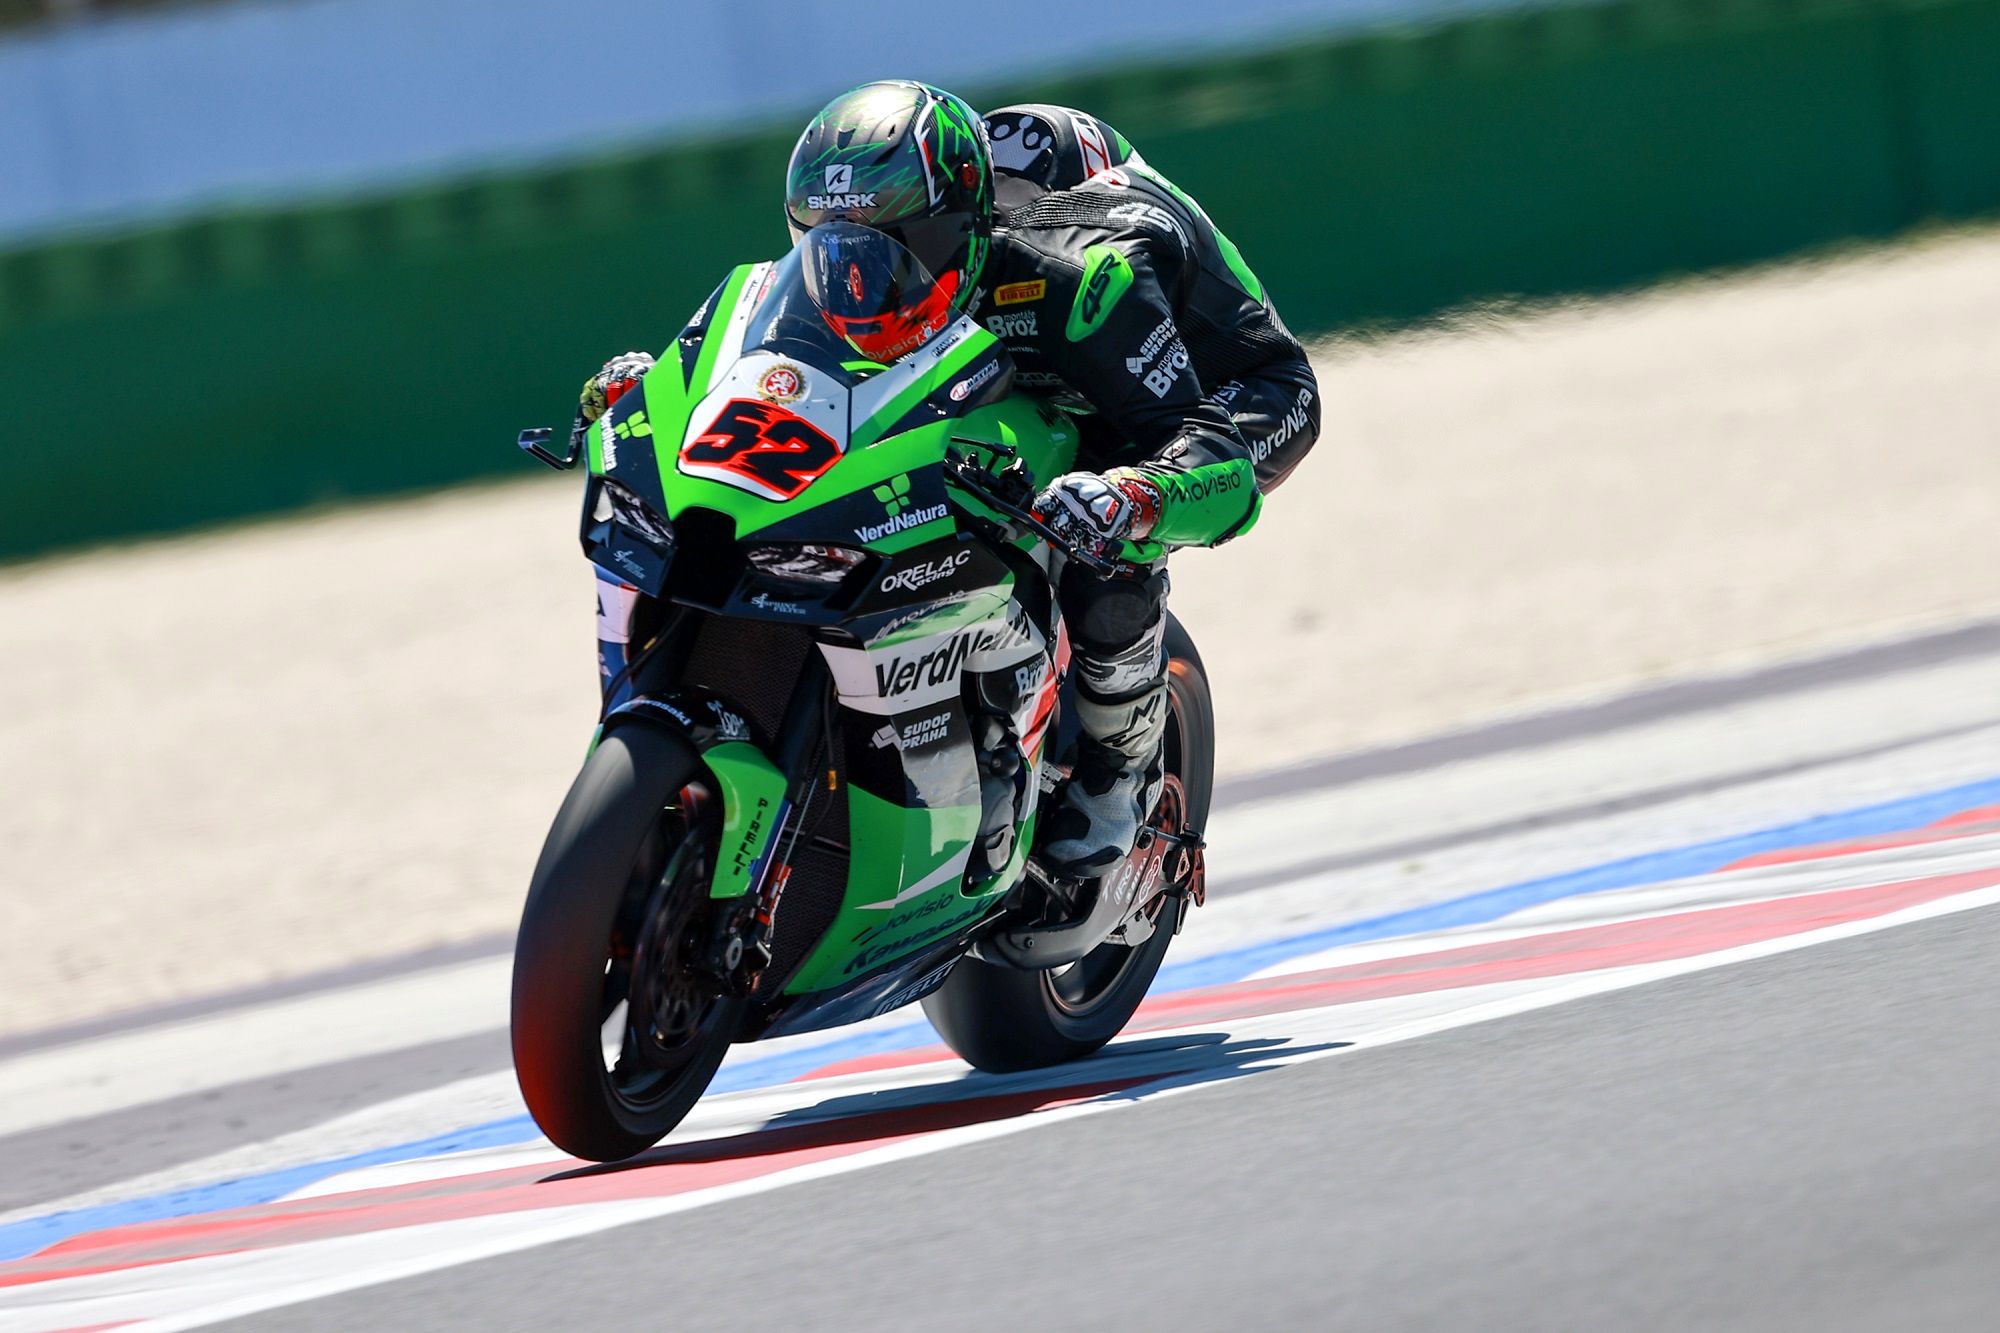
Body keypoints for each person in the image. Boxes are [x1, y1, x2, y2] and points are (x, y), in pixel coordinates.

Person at [577, 80, 1320, 877]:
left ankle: (1121, 774)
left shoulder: (1077, 280)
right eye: (828, 245)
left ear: (966, 230)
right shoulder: (846, 273)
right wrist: (662, 395)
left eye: (896, 248)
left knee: (1100, 518)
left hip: (1219, 393)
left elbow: (1203, 448)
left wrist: (1136, 496)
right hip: (1040, 357)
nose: (859, 276)